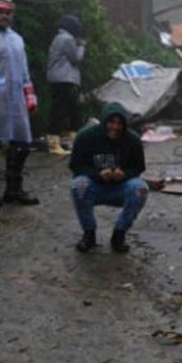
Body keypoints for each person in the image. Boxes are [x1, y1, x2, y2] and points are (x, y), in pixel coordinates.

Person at [70, 102, 147, 253]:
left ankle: (119, 234)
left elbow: (138, 168)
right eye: (111, 122)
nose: (115, 127)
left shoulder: (133, 140)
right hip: (94, 185)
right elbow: (76, 166)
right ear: (104, 121)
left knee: (141, 189)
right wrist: (97, 174)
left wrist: (124, 174)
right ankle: (89, 233)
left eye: (119, 123)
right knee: (78, 184)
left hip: (120, 187)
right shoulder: (86, 137)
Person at [0, 0, 39, 206]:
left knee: (21, 144)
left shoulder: (17, 39)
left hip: (16, 102)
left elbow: (24, 72)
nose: (4, 16)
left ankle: (14, 190)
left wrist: (30, 96)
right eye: (0, 12)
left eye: (7, 12)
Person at [46, 14, 86, 157]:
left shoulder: (59, 38)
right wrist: (81, 46)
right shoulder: (67, 39)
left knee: (72, 108)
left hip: (58, 78)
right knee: (60, 109)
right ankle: (53, 143)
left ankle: (75, 139)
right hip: (63, 78)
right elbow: (76, 58)